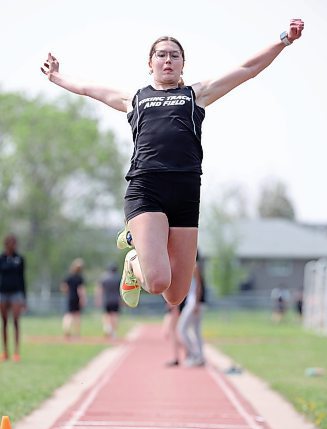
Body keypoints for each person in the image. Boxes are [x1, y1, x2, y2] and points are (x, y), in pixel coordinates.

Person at [41, 20, 304, 309]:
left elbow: (247, 69)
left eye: (174, 55)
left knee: (175, 295)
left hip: (186, 191)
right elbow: (88, 88)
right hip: (146, 188)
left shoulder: (196, 95)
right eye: (161, 54)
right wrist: (56, 77)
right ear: (150, 63)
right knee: (156, 282)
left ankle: (135, 245)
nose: (168, 60)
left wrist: (284, 40)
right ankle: (133, 259)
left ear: (182, 64)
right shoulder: (135, 99)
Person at [0, 234, 26, 362]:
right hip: (3, 293)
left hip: (16, 293)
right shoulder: (2, 258)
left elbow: (22, 278)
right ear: (6, 244)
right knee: (4, 322)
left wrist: (24, 298)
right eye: (11, 243)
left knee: (16, 321)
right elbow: (3, 269)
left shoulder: (20, 259)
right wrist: (11, 264)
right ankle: (5, 352)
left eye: (15, 243)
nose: (13, 245)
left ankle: (16, 352)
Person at [178, 256, 206, 367]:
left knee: (181, 329)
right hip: (193, 302)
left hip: (194, 303)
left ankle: (195, 354)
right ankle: (199, 357)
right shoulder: (190, 266)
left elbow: (199, 285)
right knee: (196, 331)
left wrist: (197, 303)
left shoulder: (195, 266)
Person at [60, 258, 86, 339]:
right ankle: (77, 333)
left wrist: (67, 292)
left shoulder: (69, 277)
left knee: (68, 315)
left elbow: (63, 286)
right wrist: (82, 299)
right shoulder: (80, 278)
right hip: (77, 298)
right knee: (77, 316)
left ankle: (66, 330)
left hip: (70, 297)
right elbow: (80, 290)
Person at [95, 263, 121, 340]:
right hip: (116, 300)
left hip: (107, 300)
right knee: (115, 316)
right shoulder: (118, 278)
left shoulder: (104, 278)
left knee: (106, 315)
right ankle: (114, 332)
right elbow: (122, 291)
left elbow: (99, 290)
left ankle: (107, 327)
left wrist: (98, 299)